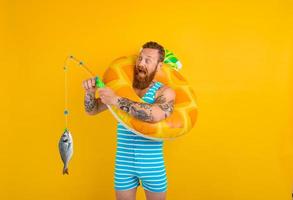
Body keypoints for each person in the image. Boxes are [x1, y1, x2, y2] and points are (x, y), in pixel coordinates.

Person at [82, 41, 175, 200]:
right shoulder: (122, 87)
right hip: (123, 165)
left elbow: (155, 115)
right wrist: (90, 93)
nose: (141, 63)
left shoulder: (164, 91)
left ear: (159, 66)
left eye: (148, 60)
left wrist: (116, 100)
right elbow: (93, 110)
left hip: (152, 166)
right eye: (140, 58)